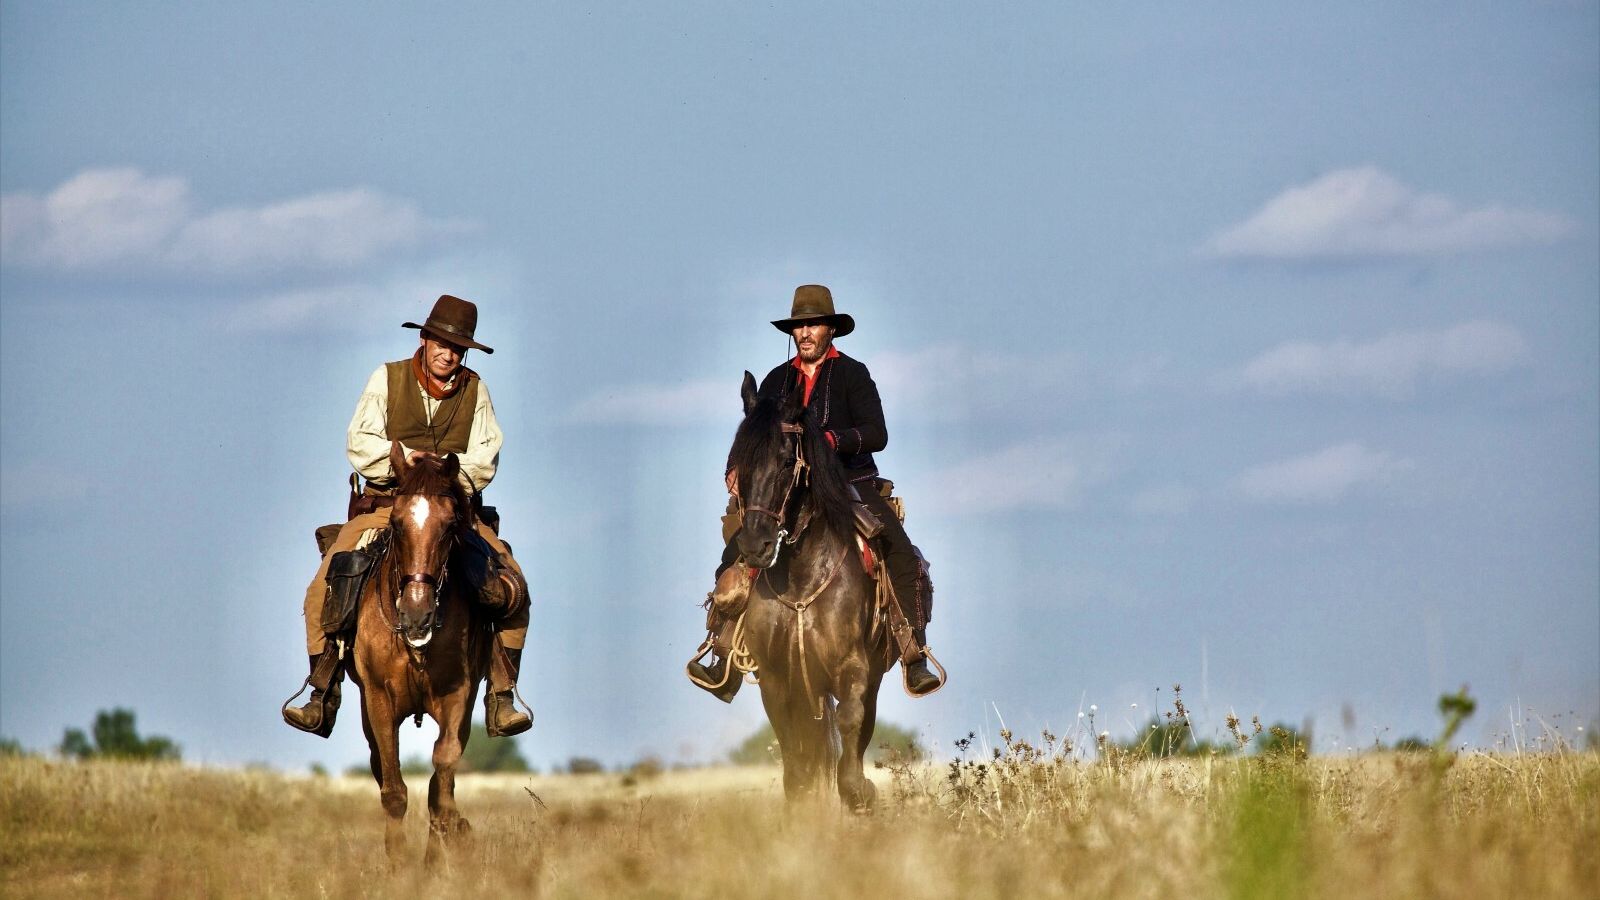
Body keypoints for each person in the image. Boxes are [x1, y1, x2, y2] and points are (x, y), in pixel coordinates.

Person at [283, 294, 532, 737]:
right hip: (386, 506)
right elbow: (360, 441)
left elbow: (485, 456)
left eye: (457, 347)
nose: (447, 353)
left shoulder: (477, 391)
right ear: (424, 338)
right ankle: (322, 690)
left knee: (512, 584)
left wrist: (444, 480)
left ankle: (502, 694)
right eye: (440, 342)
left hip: (451, 511)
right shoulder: (387, 378)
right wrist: (405, 464)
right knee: (321, 588)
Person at [688, 284, 942, 700]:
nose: (805, 332)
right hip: (786, 488)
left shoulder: (853, 374)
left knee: (899, 549)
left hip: (850, 482)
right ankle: (722, 653)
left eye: (814, 324)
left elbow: (877, 434)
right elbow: (752, 436)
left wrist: (829, 441)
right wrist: (735, 469)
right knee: (737, 547)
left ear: (831, 330)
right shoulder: (774, 381)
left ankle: (914, 652)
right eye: (799, 325)